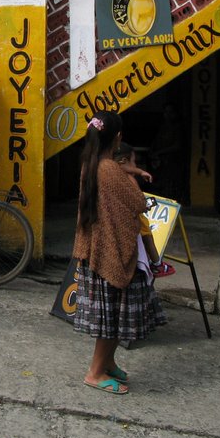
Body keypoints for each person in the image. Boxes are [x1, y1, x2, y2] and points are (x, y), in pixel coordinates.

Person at [72, 111, 166, 395]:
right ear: (117, 138)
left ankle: (108, 362)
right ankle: (95, 372)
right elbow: (137, 202)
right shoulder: (110, 170)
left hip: (98, 249)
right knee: (110, 317)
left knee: (109, 315)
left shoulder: (93, 165)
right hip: (111, 251)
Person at [114, 142, 175, 279]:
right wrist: (143, 205)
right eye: (134, 162)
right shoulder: (129, 179)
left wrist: (140, 171)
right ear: (124, 161)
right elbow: (138, 201)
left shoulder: (107, 172)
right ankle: (157, 264)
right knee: (147, 235)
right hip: (134, 218)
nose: (135, 166)